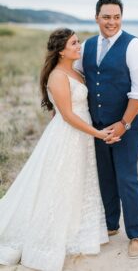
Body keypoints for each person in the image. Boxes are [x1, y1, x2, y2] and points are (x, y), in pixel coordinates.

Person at [0, 28, 121, 271]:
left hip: (81, 135)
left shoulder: (74, 71)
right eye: (74, 43)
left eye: (78, 42)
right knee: (58, 183)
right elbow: (66, 115)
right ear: (61, 50)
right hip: (69, 134)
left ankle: (76, 228)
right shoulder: (57, 76)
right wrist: (97, 133)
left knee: (77, 182)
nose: (79, 46)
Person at [75, 0, 138, 258]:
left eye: (116, 17)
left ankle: (136, 233)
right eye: (106, 17)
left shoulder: (134, 47)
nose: (112, 22)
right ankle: (110, 224)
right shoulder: (87, 46)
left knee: (126, 178)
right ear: (96, 17)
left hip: (126, 125)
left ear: (122, 17)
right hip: (96, 126)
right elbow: (77, 75)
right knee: (105, 176)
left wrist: (123, 124)